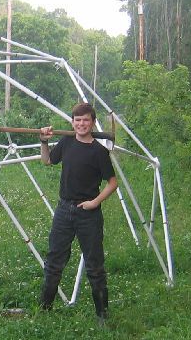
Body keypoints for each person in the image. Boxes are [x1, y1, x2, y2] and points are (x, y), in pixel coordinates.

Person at [39, 103, 118, 324]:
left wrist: (95, 202)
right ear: (72, 122)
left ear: (92, 123)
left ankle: (102, 314)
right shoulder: (66, 142)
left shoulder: (99, 151)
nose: (81, 124)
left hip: (88, 214)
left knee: (94, 264)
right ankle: (45, 309)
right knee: (54, 260)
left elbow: (113, 183)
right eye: (77, 120)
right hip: (64, 210)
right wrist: (44, 141)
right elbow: (47, 161)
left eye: (85, 120)